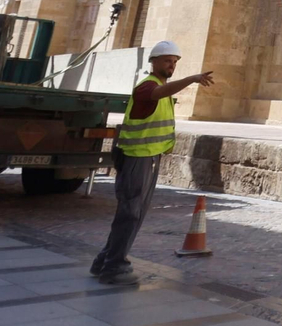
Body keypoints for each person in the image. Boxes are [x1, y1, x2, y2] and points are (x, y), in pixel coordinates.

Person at [91, 40, 212, 285]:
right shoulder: (148, 86)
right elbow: (157, 94)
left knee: (134, 212)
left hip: (148, 156)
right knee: (131, 212)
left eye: (175, 62)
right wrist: (191, 79)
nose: (172, 65)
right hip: (137, 157)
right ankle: (114, 266)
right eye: (167, 60)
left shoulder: (160, 86)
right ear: (153, 62)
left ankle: (105, 260)